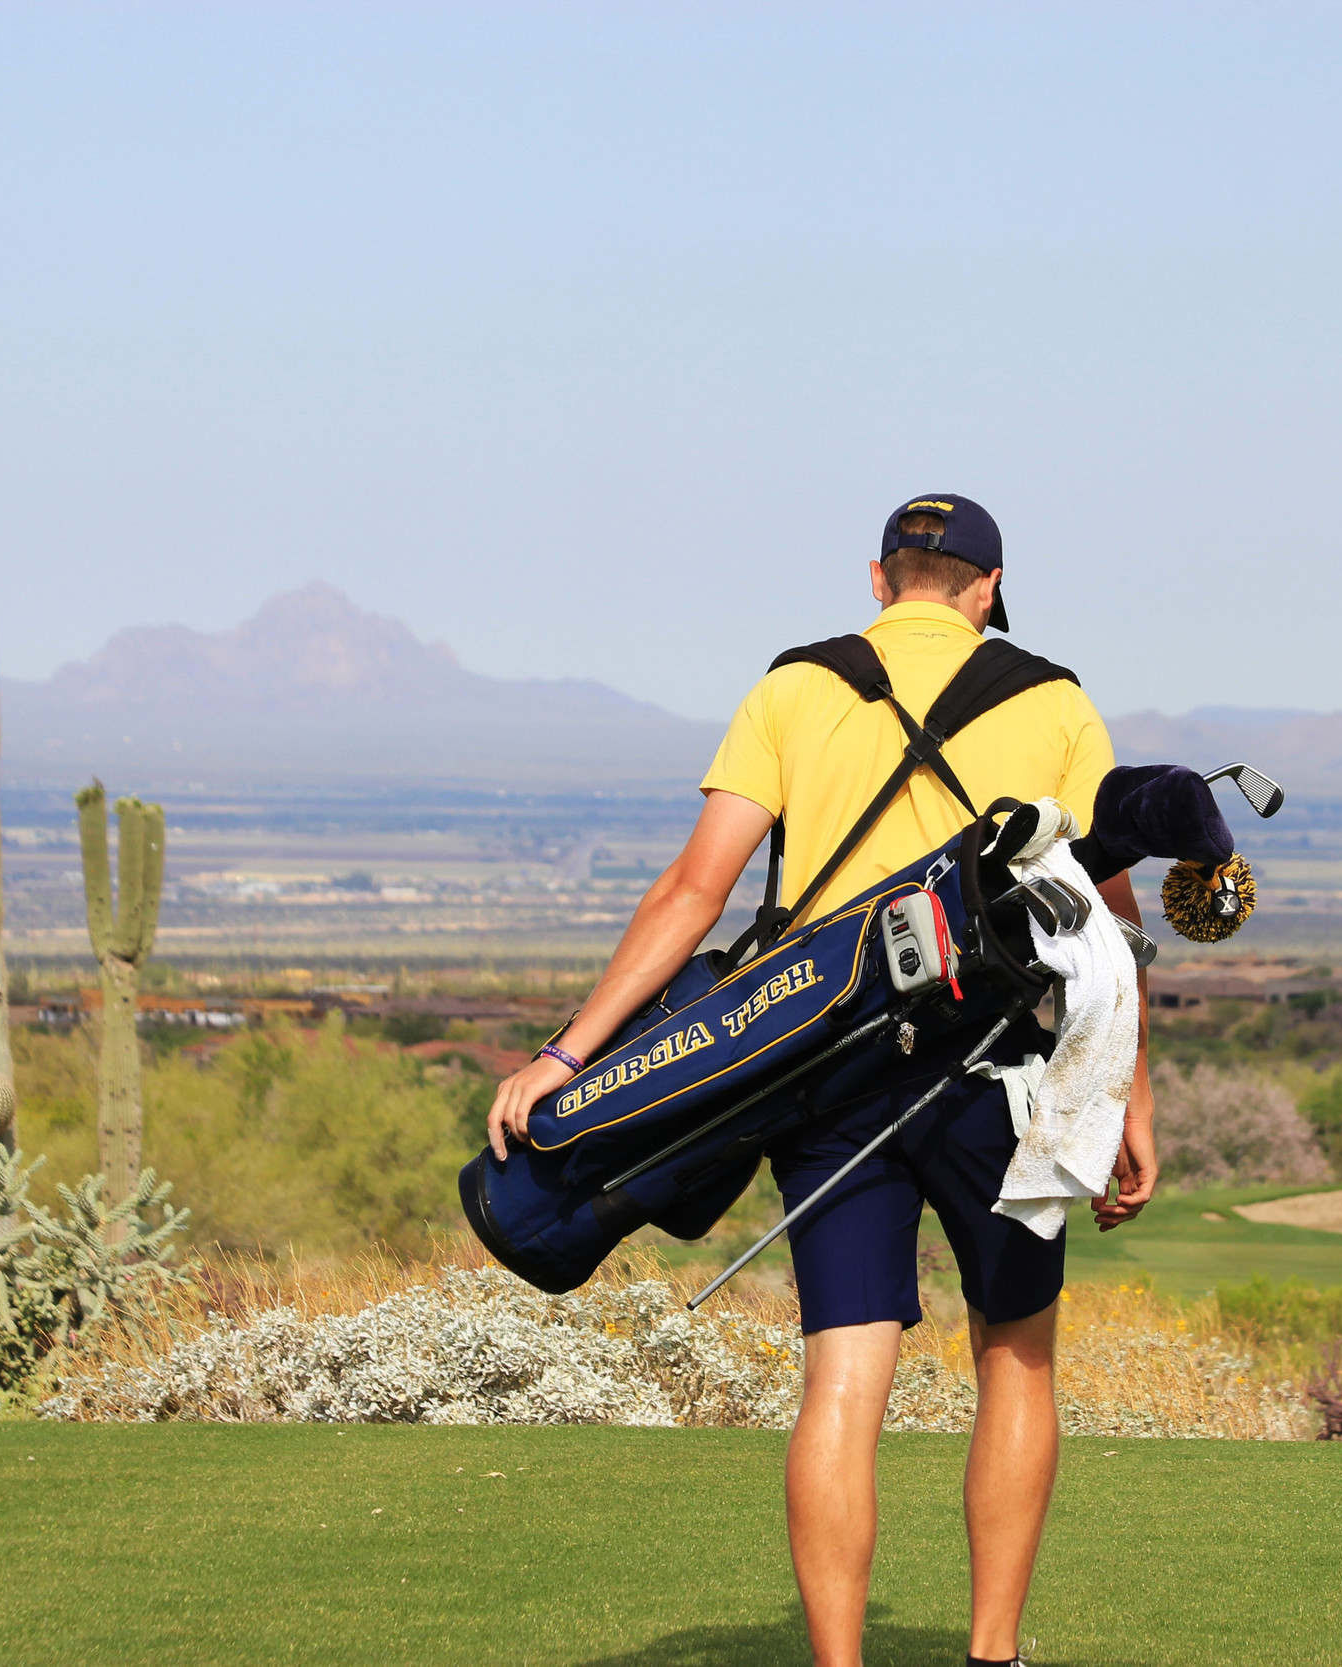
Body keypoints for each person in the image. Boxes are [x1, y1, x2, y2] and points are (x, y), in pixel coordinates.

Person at [484, 493, 1157, 1667]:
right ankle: (991, 1654)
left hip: (821, 1070)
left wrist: (566, 1051)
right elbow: (1106, 918)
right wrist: (1128, 1099)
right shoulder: (1053, 699)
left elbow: (693, 890)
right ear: (988, 588)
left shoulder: (795, 685)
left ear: (879, 576)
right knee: (1017, 1352)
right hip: (998, 1072)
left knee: (844, 1368)